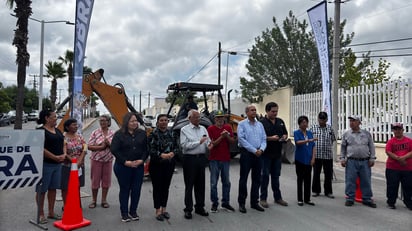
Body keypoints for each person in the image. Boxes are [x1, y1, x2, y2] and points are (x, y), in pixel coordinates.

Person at [110, 112, 148, 222]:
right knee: (125, 189)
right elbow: (114, 150)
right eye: (132, 121)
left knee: (136, 189)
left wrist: (142, 160)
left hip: (138, 166)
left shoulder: (141, 133)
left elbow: (146, 149)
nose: (135, 123)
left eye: (136, 121)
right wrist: (125, 162)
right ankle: (124, 213)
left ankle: (133, 211)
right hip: (123, 167)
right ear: (126, 122)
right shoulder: (119, 134)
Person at [35, 109, 66, 224]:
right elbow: (40, 148)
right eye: (54, 117)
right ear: (47, 118)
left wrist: (64, 154)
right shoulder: (40, 131)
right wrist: (54, 157)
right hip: (45, 165)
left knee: (53, 189)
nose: (56, 119)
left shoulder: (57, 130)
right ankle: (41, 214)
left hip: (57, 165)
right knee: (42, 190)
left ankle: (51, 212)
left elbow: (63, 143)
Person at [180, 109, 212, 219]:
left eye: (199, 117)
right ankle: (188, 209)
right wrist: (199, 142)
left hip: (201, 158)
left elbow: (207, 141)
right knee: (189, 185)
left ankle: (199, 207)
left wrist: (209, 145)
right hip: (190, 159)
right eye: (196, 117)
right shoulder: (184, 129)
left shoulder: (203, 128)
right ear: (190, 118)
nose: (198, 119)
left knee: (200, 184)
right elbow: (184, 145)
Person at [340, 115, 377, 208]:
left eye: (354, 121)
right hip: (351, 161)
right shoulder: (346, 134)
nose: (351, 122)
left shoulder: (366, 134)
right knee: (350, 180)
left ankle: (367, 199)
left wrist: (372, 158)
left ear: (359, 122)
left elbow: (371, 146)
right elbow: (343, 147)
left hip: (365, 161)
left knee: (366, 180)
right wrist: (342, 158)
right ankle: (350, 198)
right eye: (350, 121)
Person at [237, 105, 267, 213]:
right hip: (247, 154)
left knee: (257, 179)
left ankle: (254, 202)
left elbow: (264, 138)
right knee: (243, 179)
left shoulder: (260, 125)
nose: (254, 112)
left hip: (259, 154)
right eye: (252, 110)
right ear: (247, 112)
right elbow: (241, 139)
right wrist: (254, 150)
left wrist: (262, 149)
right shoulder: (242, 124)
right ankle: (241, 203)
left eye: (255, 110)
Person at [259, 102, 289, 208]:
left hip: (277, 154)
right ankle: (263, 198)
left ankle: (278, 198)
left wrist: (284, 137)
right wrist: (270, 138)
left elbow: (285, 133)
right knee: (265, 176)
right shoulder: (261, 123)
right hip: (265, 154)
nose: (275, 113)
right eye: (273, 111)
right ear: (267, 111)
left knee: (276, 177)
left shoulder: (280, 122)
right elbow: (259, 138)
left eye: (276, 111)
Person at [148, 114, 178, 221]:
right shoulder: (153, 134)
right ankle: (157, 210)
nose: (164, 122)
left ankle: (164, 209)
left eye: (166, 120)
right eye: (161, 120)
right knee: (157, 188)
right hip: (157, 165)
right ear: (158, 122)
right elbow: (150, 149)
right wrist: (161, 155)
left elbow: (177, 147)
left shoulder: (172, 133)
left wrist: (172, 153)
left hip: (169, 164)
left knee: (166, 187)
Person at [207, 110, 236, 213]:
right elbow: (212, 143)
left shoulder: (228, 127)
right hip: (214, 159)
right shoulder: (210, 129)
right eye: (218, 118)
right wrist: (222, 136)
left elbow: (233, 141)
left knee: (226, 182)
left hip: (225, 158)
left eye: (221, 117)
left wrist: (227, 136)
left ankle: (226, 203)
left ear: (224, 118)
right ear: (214, 119)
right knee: (213, 183)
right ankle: (214, 203)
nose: (220, 119)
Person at [87, 114, 115, 209]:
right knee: (95, 180)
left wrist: (109, 144)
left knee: (106, 181)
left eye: (104, 120)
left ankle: (104, 200)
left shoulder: (113, 133)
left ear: (108, 122)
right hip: (96, 160)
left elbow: (116, 148)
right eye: (101, 120)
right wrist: (101, 146)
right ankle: (94, 200)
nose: (102, 122)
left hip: (108, 160)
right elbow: (89, 146)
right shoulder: (95, 132)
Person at [384, 122, 412, 210]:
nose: (397, 131)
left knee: (408, 186)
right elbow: (388, 152)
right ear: (393, 131)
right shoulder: (390, 141)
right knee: (392, 186)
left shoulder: (409, 141)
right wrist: (398, 159)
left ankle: (408, 202)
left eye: (399, 129)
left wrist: (403, 158)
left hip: (407, 168)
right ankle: (391, 202)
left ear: (403, 130)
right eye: (395, 129)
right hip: (392, 168)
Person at [61, 118, 87, 207]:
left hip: (79, 165)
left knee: (77, 186)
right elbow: (63, 152)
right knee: (65, 187)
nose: (76, 126)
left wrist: (79, 161)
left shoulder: (79, 136)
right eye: (73, 125)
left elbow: (85, 147)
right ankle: (66, 205)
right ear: (67, 127)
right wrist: (73, 161)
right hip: (67, 166)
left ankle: (76, 205)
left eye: (76, 124)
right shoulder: (63, 137)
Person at [310, 112, 336, 199]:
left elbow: (332, 140)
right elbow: (310, 140)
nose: (322, 121)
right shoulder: (313, 128)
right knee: (316, 174)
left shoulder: (330, 129)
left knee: (328, 174)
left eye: (323, 119)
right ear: (318, 119)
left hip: (328, 156)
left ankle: (328, 192)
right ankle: (316, 191)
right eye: (320, 119)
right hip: (316, 155)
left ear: (326, 119)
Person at [294, 115, 316, 206]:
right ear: (299, 124)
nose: (305, 124)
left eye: (306, 122)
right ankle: (300, 199)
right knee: (300, 179)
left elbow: (313, 146)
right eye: (303, 122)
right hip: (300, 159)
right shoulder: (297, 132)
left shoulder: (310, 133)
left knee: (308, 179)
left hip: (309, 159)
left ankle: (307, 198)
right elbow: (297, 142)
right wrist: (307, 140)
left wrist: (313, 157)